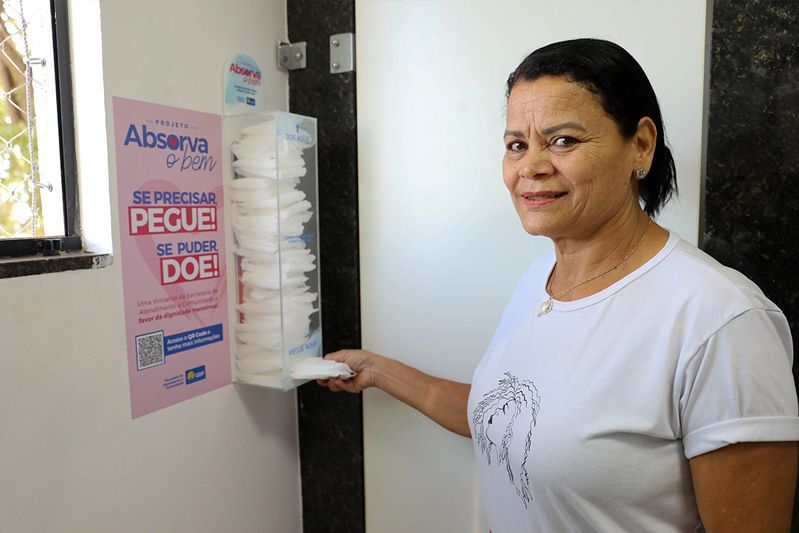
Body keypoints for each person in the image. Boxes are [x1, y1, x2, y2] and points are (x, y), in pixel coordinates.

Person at [317, 38, 799, 532]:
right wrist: (377, 371)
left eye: (563, 141)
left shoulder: (721, 321)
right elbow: (512, 417)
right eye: (517, 145)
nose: (531, 167)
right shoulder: (540, 281)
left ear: (640, 144)